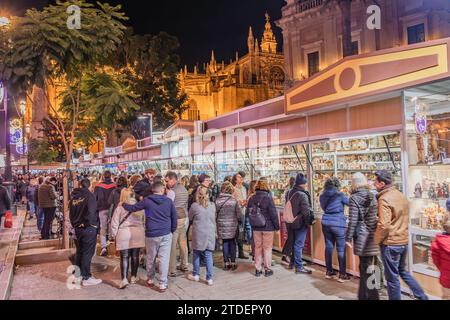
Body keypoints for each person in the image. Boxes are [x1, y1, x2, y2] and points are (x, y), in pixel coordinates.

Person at [374, 170, 427, 300]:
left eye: (375, 181)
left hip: (390, 243)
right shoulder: (400, 195)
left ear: (381, 183)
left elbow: (384, 225)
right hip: (403, 241)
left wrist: (376, 239)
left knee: (392, 279)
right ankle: (422, 296)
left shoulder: (384, 198)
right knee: (403, 271)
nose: (373, 184)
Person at [122, 182, 177, 293]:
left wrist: (123, 204)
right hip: (165, 233)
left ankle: (150, 279)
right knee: (164, 259)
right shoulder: (169, 201)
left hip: (151, 234)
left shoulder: (147, 201)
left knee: (151, 257)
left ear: (153, 190)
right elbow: (174, 217)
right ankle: (162, 284)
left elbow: (133, 208)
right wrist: (171, 229)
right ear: (162, 190)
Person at [345, 173, 380, 300]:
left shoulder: (354, 198)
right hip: (372, 234)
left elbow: (353, 220)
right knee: (368, 266)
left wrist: (348, 237)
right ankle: (365, 295)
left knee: (366, 267)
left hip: (362, 237)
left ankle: (371, 296)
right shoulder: (373, 195)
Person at [69, 178, 102, 286]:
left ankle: (77, 276)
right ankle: (86, 277)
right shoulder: (90, 196)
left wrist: (76, 224)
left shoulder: (73, 197)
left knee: (80, 252)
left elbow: (71, 214)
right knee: (87, 253)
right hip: (88, 228)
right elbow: (91, 212)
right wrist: (91, 224)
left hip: (78, 228)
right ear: (89, 186)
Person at [111, 188, 145, 289]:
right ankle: (134, 277)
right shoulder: (139, 206)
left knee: (124, 257)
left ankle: (124, 279)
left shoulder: (120, 207)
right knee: (135, 256)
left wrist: (113, 235)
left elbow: (114, 223)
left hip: (124, 232)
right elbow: (144, 221)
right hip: (138, 232)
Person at [320, 177, 350, 282]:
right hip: (338, 223)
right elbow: (350, 203)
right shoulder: (340, 195)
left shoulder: (322, 195)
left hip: (326, 222)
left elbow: (323, 208)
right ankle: (342, 274)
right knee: (341, 249)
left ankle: (329, 271)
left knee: (328, 247)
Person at [247, 179, 280, 277]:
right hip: (268, 227)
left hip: (256, 227)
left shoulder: (251, 198)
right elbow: (273, 214)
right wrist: (276, 226)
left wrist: (252, 223)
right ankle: (267, 269)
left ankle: (258, 269)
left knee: (257, 247)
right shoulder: (268, 198)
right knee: (267, 248)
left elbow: (248, 213)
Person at [187, 186, 216, 285]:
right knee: (208, 255)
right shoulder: (212, 205)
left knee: (196, 253)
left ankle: (196, 274)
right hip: (210, 232)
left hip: (198, 232)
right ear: (208, 194)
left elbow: (190, 217)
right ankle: (209, 278)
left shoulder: (194, 206)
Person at [285, 173, 312, 274]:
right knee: (298, 244)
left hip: (289, 221)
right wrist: (309, 222)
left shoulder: (288, 192)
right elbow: (306, 212)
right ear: (303, 183)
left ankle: (292, 263)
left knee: (293, 242)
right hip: (299, 223)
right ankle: (299, 266)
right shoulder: (302, 195)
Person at [165, 171, 190, 277]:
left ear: (173, 179)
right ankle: (184, 264)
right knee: (183, 243)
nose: (166, 183)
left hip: (175, 219)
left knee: (173, 245)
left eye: (167, 180)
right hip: (184, 218)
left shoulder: (172, 192)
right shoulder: (184, 189)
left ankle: (172, 269)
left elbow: (168, 206)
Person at [216, 181, 243, 271]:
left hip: (221, 225)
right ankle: (234, 262)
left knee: (225, 243)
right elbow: (239, 215)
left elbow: (215, 214)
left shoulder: (218, 201)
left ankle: (226, 262)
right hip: (232, 225)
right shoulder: (233, 201)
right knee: (232, 242)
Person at [94, 171, 116, 256]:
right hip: (113, 209)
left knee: (103, 228)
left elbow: (95, 198)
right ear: (111, 176)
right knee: (112, 227)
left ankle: (104, 247)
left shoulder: (98, 186)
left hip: (102, 209)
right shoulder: (115, 185)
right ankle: (114, 245)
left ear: (102, 176)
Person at [431, 207, 450, 300]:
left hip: (446, 279)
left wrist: (443, 270)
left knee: (446, 296)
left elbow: (436, 261)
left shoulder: (437, 243)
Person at [232, 173, 249, 260]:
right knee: (238, 232)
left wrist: (245, 202)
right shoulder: (234, 189)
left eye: (241, 177)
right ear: (235, 179)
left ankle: (241, 252)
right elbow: (234, 201)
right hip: (237, 213)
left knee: (242, 232)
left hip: (244, 212)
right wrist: (240, 202)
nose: (241, 178)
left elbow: (245, 199)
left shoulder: (244, 188)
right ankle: (235, 252)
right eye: (239, 177)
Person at [281, 177, 296, 266]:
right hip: (292, 217)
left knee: (291, 237)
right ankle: (286, 255)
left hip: (288, 217)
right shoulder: (293, 192)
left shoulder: (288, 192)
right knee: (291, 237)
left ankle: (287, 254)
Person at [245, 180, 257, 257]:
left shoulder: (250, 196)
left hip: (250, 217)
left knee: (252, 234)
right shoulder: (253, 196)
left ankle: (253, 251)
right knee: (254, 235)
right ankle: (254, 251)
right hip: (255, 218)